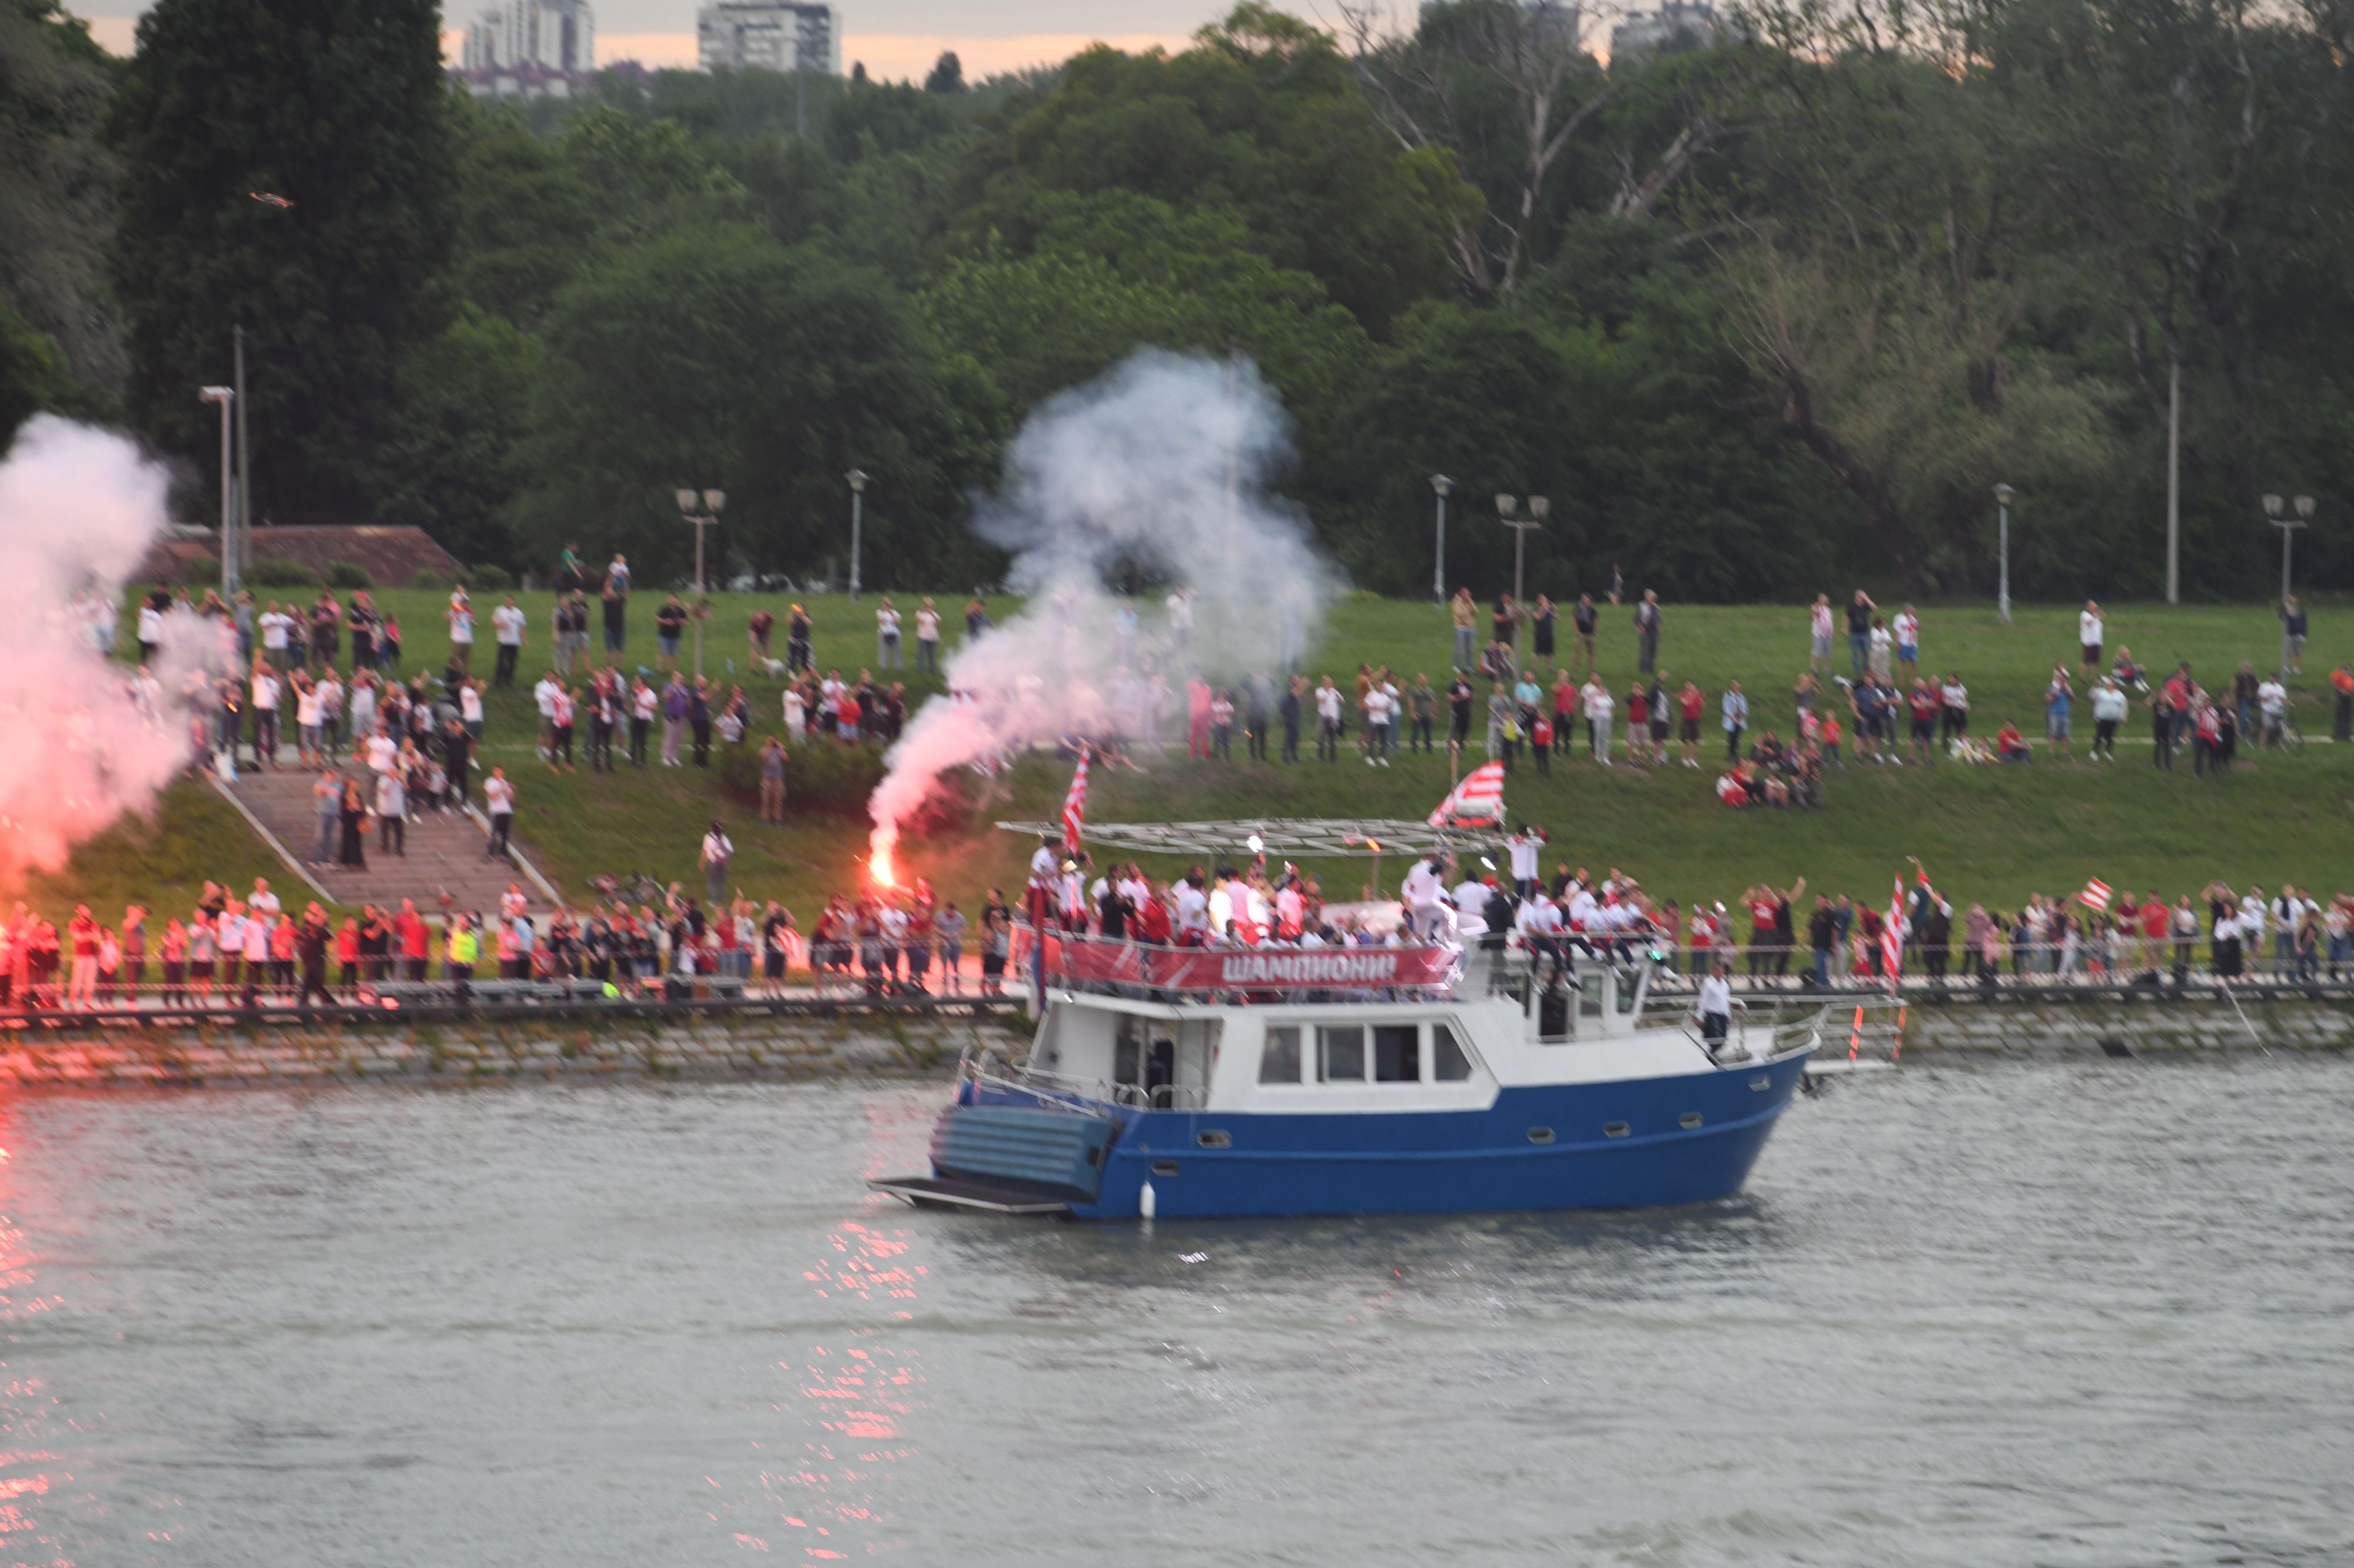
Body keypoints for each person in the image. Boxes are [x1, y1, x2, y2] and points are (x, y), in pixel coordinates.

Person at [1695, 962, 1733, 1058]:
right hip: (1712, 1014)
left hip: (1722, 1015)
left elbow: (1726, 1000)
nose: (1721, 972)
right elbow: (1703, 1000)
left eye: (1722, 970)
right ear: (1714, 971)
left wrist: (1729, 1015)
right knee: (1716, 1039)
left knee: (1723, 1039)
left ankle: (1711, 1058)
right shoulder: (1708, 983)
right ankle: (1710, 1058)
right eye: (1718, 970)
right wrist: (1699, 1016)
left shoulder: (1725, 984)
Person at [491, 595, 526, 686]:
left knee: (512, 661)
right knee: (501, 660)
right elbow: (494, 622)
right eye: (507, 601)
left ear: (514, 602)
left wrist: (524, 639)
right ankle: (498, 679)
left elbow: (522, 626)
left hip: (514, 641)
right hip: (503, 641)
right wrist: (499, 625)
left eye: (510, 601)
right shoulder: (500, 610)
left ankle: (509, 679)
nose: (509, 603)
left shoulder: (518, 613)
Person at [484, 767, 514, 859]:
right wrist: (501, 789)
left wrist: (512, 790)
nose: (499, 773)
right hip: (496, 811)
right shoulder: (490, 782)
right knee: (493, 832)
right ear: (494, 772)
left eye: (501, 771)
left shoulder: (505, 782)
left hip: (506, 811)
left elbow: (511, 799)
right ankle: (490, 852)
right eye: (497, 771)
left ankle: (503, 853)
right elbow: (492, 796)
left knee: (505, 834)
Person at [700, 820, 733, 906]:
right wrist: (726, 862)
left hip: (713, 863)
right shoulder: (725, 838)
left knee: (712, 882)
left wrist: (702, 863)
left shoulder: (708, 837)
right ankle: (723, 901)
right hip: (723, 864)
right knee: (722, 882)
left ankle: (713, 901)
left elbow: (705, 851)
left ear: (712, 828)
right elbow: (730, 851)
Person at [1845, 590, 1876, 678]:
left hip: (1864, 633)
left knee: (1866, 652)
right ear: (1856, 597)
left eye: (1862, 597)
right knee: (1855, 652)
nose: (1861, 598)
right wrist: (1846, 629)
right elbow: (1847, 617)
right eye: (1860, 597)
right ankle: (1856, 670)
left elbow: (1874, 608)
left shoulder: (1865, 606)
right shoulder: (1851, 606)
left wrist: (1866, 599)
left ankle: (1866, 669)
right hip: (1855, 633)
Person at [445, 589, 474, 675]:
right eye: (464, 602)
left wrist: (473, 621)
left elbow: (474, 622)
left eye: (467, 603)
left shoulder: (469, 612)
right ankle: (455, 675)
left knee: (466, 660)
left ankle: (463, 676)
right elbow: (446, 617)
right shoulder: (455, 611)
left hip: (468, 639)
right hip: (458, 640)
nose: (466, 604)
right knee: (457, 660)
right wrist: (452, 607)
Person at [759, 735, 788, 823]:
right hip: (767, 778)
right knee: (765, 799)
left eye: (773, 740)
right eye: (769, 740)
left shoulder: (779, 751)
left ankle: (777, 819)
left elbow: (786, 758)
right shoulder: (764, 749)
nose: (771, 742)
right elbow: (764, 757)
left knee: (778, 800)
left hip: (777, 779)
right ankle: (765, 818)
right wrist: (769, 748)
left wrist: (781, 747)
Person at [1632, 589, 1662, 674]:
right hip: (1645, 631)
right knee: (1645, 650)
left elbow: (1658, 618)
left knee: (1653, 650)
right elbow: (1636, 618)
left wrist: (1659, 625)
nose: (1653, 598)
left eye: (1653, 597)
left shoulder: (1656, 607)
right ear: (1646, 597)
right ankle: (1643, 669)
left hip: (1655, 632)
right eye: (1651, 596)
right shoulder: (1642, 606)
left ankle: (1650, 668)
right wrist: (1641, 627)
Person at [655, 594, 687, 671]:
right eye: (672, 600)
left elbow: (686, 622)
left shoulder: (681, 611)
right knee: (662, 652)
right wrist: (665, 622)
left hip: (676, 636)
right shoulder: (665, 610)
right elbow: (657, 618)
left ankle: (672, 670)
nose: (674, 601)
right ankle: (659, 670)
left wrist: (681, 621)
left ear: (678, 601)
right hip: (664, 635)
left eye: (675, 600)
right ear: (669, 600)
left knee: (673, 654)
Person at [1449, 587, 1477, 672]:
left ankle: (1469, 666)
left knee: (1470, 648)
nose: (1468, 596)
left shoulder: (1470, 602)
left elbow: (1476, 613)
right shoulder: (1456, 602)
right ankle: (1456, 666)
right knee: (1459, 648)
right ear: (1462, 594)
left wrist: (1471, 603)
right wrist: (1468, 616)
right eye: (1466, 594)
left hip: (1470, 628)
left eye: (1469, 594)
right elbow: (1460, 614)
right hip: (1460, 628)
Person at [1720, 680, 1748, 761]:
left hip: (1739, 719)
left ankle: (1735, 754)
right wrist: (1733, 719)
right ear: (1731, 686)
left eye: (1737, 685)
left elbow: (1745, 709)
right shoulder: (1727, 695)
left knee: (1737, 737)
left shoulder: (1742, 697)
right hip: (1731, 719)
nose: (1736, 687)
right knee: (1731, 737)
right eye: (1734, 685)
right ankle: (1730, 754)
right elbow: (1726, 708)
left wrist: (1741, 717)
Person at [2280, 596, 2307, 674]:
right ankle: (2285, 667)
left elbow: (2304, 623)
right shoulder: (2288, 611)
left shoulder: (2301, 612)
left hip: (2300, 635)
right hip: (2290, 634)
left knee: (2298, 653)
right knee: (2288, 652)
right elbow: (2282, 617)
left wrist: (2304, 634)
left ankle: (2296, 668)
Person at [915, 597, 942, 674]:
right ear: (924, 606)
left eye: (930, 606)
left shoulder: (935, 615)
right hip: (922, 636)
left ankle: (932, 669)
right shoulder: (920, 614)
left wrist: (932, 614)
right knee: (921, 654)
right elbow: (920, 621)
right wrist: (925, 613)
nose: (928, 608)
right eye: (927, 606)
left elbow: (937, 623)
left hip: (932, 637)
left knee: (932, 655)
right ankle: (920, 669)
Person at [875, 597, 902, 669]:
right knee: (883, 651)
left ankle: (899, 666)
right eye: (885, 604)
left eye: (888, 604)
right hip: (883, 634)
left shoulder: (895, 613)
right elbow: (881, 621)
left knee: (897, 651)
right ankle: (883, 667)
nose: (887, 606)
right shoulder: (879, 612)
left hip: (894, 634)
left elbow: (897, 622)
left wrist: (892, 614)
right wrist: (885, 612)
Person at [2079, 599, 2105, 671]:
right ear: (2089, 607)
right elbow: (2089, 623)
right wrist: (2098, 616)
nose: (2096, 608)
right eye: (2094, 606)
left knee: (2095, 662)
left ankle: (2094, 679)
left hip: (2097, 642)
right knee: (2086, 661)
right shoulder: (2084, 614)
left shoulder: (2095, 616)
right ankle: (2082, 677)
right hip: (2088, 642)